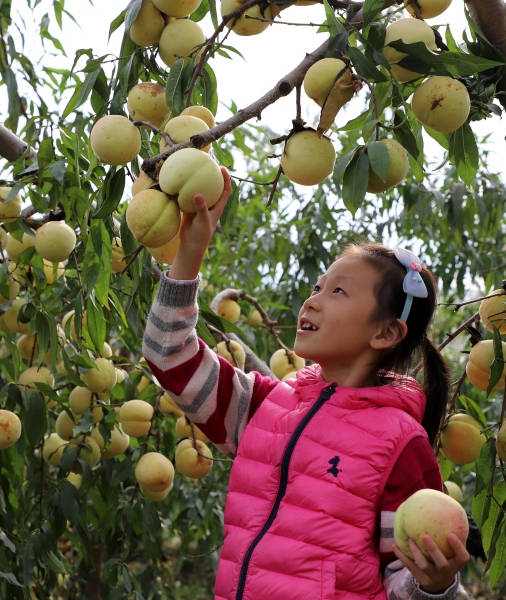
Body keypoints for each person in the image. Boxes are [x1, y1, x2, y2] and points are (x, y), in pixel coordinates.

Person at [142, 168, 470, 600]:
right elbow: (169, 354)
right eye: (318, 286)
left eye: (338, 292)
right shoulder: (265, 407)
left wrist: (435, 585)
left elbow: (401, 576)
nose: (312, 299)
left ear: (386, 334)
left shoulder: (399, 444)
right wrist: (190, 250)